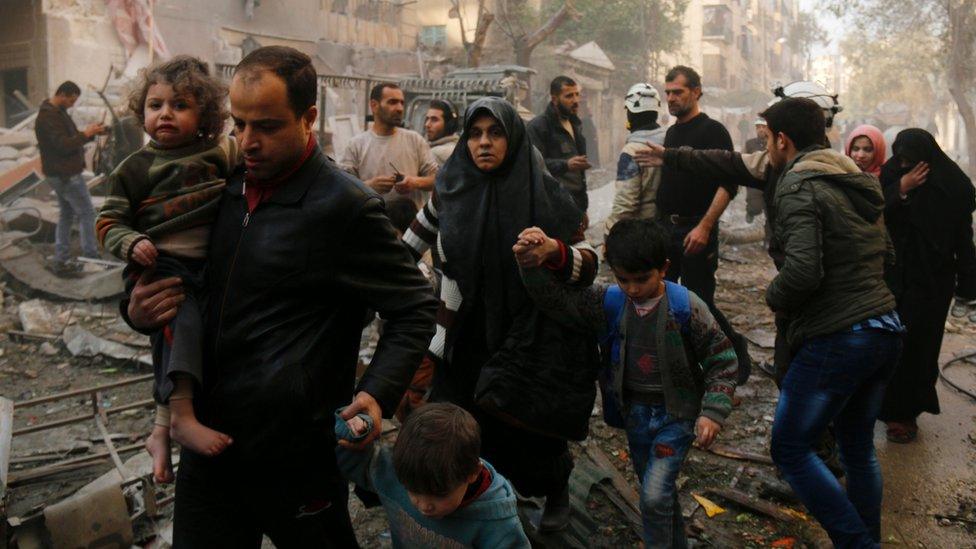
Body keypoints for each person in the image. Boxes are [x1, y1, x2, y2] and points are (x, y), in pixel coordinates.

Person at [123, 46, 438, 546]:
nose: (248, 142)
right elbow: (175, 274)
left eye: (266, 126)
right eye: (239, 124)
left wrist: (375, 394)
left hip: (297, 456)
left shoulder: (345, 207)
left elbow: (415, 307)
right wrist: (136, 311)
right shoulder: (218, 189)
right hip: (210, 448)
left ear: (308, 118)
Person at [401, 97, 598, 532]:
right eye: (475, 133)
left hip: (529, 331)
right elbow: (405, 250)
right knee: (464, 419)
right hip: (464, 330)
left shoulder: (544, 191)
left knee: (531, 426)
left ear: (514, 138)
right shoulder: (449, 186)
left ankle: (555, 487)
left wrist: (555, 253)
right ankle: (484, 504)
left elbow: (589, 263)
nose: (484, 143)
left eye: (495, 133)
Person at [517, 218, 737, 548]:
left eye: (641, 279)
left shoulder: (685, 307)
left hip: (676, 417)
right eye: (624, 279)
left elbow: (723, 360)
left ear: (663, 269)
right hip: (635, 415)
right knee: (657, 491)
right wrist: (531, 265)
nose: (633, 288)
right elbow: (559, 302)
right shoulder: (611, 302)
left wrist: (713, 411)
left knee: (651, 494)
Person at [762, 98, 902, 548]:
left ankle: (856, 544)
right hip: (885, 326)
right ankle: (869, 541)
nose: (766, 149)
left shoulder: (798, 183)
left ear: (783, 140)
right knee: (857, 449)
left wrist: (773, 297)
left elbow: (803, 272)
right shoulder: (855, 180)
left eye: (766, 139)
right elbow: (888, 255)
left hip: (841, 337)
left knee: (789, 448)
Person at [96, 56, 237, 482]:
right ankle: (179, 418)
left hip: (206, 268)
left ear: (206, 116)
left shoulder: (223, 151)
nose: (165, 114)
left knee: (187, 344)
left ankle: (160, 432)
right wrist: (132, 242)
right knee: (183, 327)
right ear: (141, 112)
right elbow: (107, 222)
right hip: (160, 264)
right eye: (155, 105)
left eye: (179, 105)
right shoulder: (134, 168)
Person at [878, 129, 976, 443]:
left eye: (912, 162)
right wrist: (901, 190)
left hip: (933, 283)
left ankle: (905, 415)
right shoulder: (891, 175)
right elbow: (870, 213)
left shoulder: (953, 186)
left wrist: (968, 285)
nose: (905, 166)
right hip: (891, 278)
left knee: (919, 348)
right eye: (901, 159)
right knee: (887, 344)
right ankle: (885, 407)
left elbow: (964, 240)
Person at [655, 65, 751, 384]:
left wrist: (706, 226)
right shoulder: (671, 133)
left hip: (698, 229)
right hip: (669, 230)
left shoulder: (713, 131)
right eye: (667, 92)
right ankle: (684, 364)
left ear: (696, 92)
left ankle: (735, 363)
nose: (671, 98)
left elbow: (729, 184)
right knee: (664, 297)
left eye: (677, 92)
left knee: (700, 302)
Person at [335, 402, 530, 548]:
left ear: (472, 473)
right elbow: (346, 454)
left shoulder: (498, 524)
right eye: (413, 491)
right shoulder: (398, 473)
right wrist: (357, 429)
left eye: (439, 494)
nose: (423, 506)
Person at [35, 81, 106, 275]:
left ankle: (61, 256)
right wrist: (86, 134)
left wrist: (90, 134)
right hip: (66, 174)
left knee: (66, 214)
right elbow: (63, 145)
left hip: (60, 173)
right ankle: (91, 257)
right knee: (87, 213)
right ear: (63, 95)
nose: (73, 104)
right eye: (72, 100)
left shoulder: (58, 113)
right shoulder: (49, 116)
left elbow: (72, 137)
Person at [340, 82, 439, 210]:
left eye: (402, 103)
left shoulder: (415, 140)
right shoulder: (356, 145)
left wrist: (414, 182)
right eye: (392, 102)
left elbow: (438, 179)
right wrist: (369, 187)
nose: (400, 108)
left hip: (409, 226)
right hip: (371, 224)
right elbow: (342, 189)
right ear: (374, 106)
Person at [604, 83, 667, 236]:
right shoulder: (669, 142)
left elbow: (625, 205)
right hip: (666, 228)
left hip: (642, 233)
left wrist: (610, 233)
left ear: (631, 114)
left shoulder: (632, 151)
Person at [527, 75, 591, 214]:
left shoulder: (575, 124)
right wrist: (566, 164)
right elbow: (534, 165)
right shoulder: (539, 127)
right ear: (555, 99)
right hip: (553, 205)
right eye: (569, 96)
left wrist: (583, 208)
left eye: (577, 95)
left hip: (577, 203)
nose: (576, 101)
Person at [743, 119, 768, 223]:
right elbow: (743, 158)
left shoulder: (773, 142)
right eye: (758, 127)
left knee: (770, 207)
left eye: (763, 127)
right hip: (754, 179)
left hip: (769, 179)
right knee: (754, 207)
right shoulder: (749, 143)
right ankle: (750, 213)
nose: (761, 129)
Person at [425, 98, 460, 166]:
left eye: (434, 120)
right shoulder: (458, 147)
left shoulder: (436, 153)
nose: (427, 124)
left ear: (449, 124)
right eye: (427, 119)